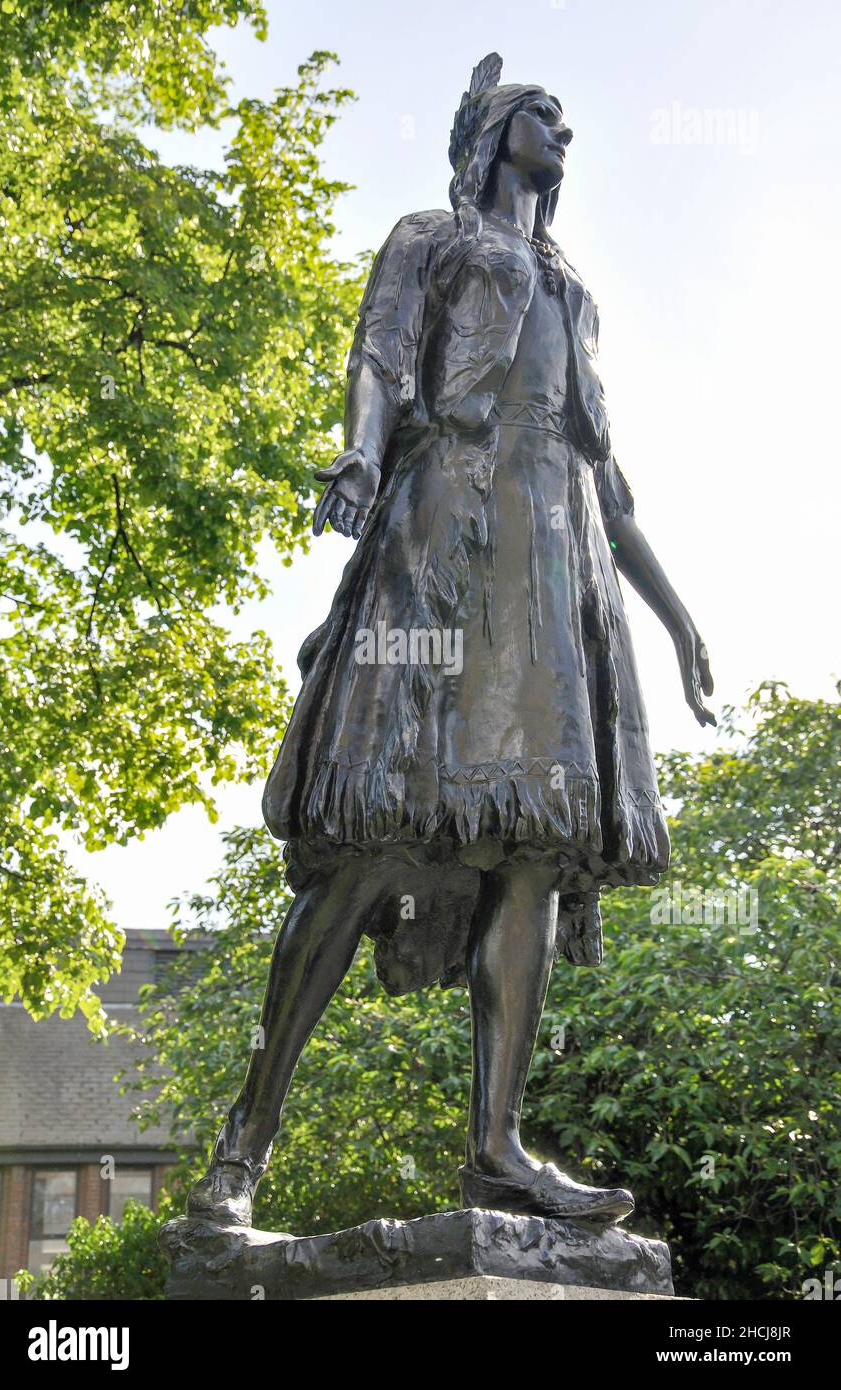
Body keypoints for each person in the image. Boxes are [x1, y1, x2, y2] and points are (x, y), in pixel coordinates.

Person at [187, 53, 714, 1228]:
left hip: (554, 568)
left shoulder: (573, 289)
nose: (564, 135)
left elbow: (606, 478)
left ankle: (496, 1146)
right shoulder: (432, 236)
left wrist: (675, 619)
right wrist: (364, 453)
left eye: (570, 123)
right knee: (372, 829)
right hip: (441, 535)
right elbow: (378, 357)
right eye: (543, 116)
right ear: (487, 132)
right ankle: (242, 1147)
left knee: (531, 848)